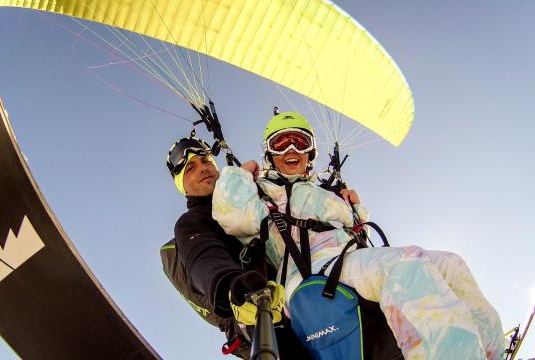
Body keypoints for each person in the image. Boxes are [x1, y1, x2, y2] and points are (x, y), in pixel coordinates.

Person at [212, 112, 505, 359]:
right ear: (269, 153)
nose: (291, 150)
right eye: (281, 144)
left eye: (300, 142)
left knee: (452, 265)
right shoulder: (262, 190)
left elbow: (357, 229)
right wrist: (242, 172)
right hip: (311, 271)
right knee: (407, 264)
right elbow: (232, 215)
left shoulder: (324, 191)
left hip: (352, 260)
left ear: (310, 152)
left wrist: (354, 207)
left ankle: (493, 351)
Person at [165, 136, 311, 359]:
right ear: (182, 186)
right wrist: (230, 285)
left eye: (206, 161)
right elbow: (203, 257)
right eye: (191, 168)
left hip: (303, 289)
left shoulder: (250, 197)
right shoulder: (192, 222)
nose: (203, 169)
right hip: (255, 314)